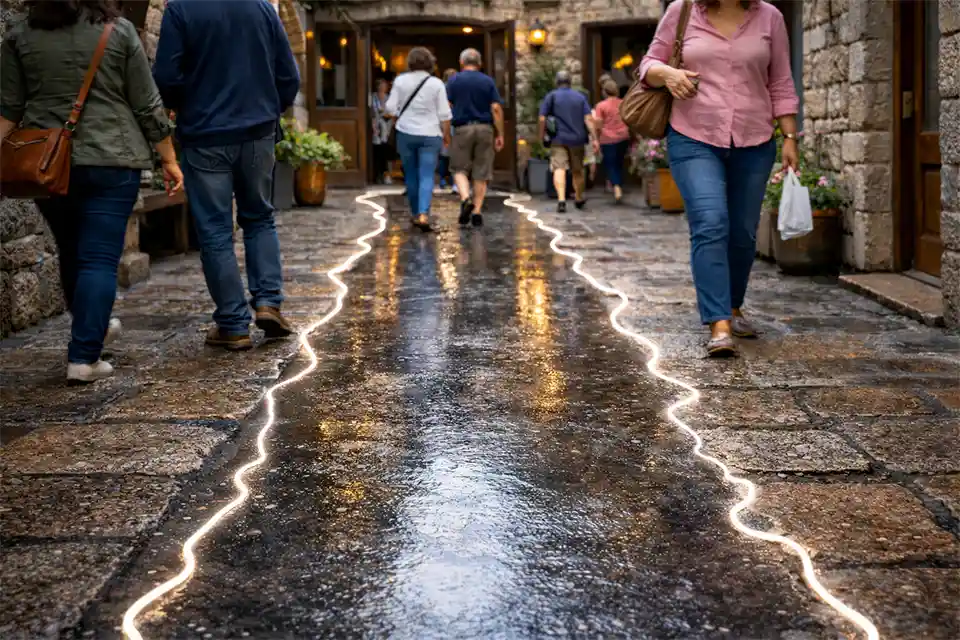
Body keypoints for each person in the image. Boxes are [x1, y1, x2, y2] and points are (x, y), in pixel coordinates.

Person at [0, 0, 182, 384]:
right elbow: (147, 103)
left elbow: (8, 109)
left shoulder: (22, 33)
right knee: (99, 258)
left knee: (72, 250)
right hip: (112, 159)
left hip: (49, 164)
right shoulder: (117, 32)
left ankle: (90, 330)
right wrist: (168, 158)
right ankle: (84, 357)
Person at [640, 0, 799, 357]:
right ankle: (719, 322)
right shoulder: (683, 11)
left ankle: (733, 304)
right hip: (693, 135)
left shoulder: (769, 17)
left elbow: (781, 79)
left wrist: (790, 137)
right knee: (711, 222)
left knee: (743, 232)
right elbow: (648, 64)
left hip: (754, 138)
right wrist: (668, 75)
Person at [153, 0, 300, 351]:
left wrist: (183, 106)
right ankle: (268, 302)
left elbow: (166, 77)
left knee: (215, 230)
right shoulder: (262, 8)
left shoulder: (181, 10)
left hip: (204, 135)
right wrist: (267, 110)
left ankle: (233, 324)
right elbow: (289, 76)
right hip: (256, 133)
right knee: (260, 217)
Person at [385, 47, 452, 232]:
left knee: (411, 174)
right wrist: (446, 135)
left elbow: (390, 108)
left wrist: (399, 117)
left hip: (406, 133)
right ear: (430, 62)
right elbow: (445, 114)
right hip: (431, 134)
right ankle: (423, 213)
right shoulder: (436, 83)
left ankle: (416, 212)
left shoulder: (400, 81)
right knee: (427, 174)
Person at [446, 49, 504, 227]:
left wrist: (446, 133)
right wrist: (500, 133)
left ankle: (465, 198)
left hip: (463, 128)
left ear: (461, 62)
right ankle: (477, 211)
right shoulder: (487, 81)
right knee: (482, 171)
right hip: (485, 128)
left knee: (458, 168)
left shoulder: (453, 81)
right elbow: (495, 108)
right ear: (480, 63)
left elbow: (447, 108)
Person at [538, 70, 599, 213]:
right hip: (578, 139)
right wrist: (595, 139)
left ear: (556, 82)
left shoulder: (551, 96)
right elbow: (588, 119)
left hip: (558, 139)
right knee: (578, 170)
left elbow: (542, 118)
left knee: (559, 168)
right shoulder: (580, 97)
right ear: (570, 82)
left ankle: (561, 200)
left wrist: (541, 136)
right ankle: (578, 197)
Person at [593, 80, 630, 204]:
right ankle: (618, 184)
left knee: (610, 164)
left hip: (608, 138)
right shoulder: (623, 103)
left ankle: (617, 187)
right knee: (619, 163)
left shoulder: (601, 106)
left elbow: (598, 124)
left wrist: (596, 139)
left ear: (604, 91)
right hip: (623, 137)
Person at [437, 68, 458, 190]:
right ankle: (450, 178)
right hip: (452, 122)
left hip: (443, 122)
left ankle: (443, 178)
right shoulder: (453, 89)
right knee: (452, 152)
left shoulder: (441, 88)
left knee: (444, 152)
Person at [370, 78, 394, 185]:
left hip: (387, 127)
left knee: (386, 151)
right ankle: (378, 175)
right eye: (381, 85)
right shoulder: (373, 97)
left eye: (384, 85)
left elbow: (392, 112)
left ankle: (386, 174)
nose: (383, 87)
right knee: (377, 151)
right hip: (376, 127)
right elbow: (372, 112)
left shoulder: (389, 98)